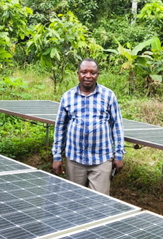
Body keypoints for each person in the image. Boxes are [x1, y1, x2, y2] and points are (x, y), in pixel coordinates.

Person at [51, 58, 124, 195]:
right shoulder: (67, 97)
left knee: (99, 202)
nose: (88, 76)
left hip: (101, 159)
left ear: (98, 75)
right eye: (84, 72)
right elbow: (60, 127)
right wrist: (57, 156)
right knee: (74, 200)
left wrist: (119, 155)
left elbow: (117, 126)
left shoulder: (108, 96)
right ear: (78, 73)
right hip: (74, 159)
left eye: (93, 72)